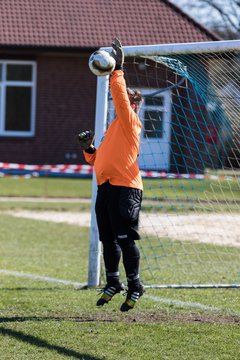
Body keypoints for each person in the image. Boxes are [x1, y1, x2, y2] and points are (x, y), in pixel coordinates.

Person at [78, 39, 144, 312]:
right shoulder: (112, 130)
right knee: (108, 238)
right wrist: (88, 149)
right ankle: (114, 282)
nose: (119, 102)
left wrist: (117, 69)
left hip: (125, 189)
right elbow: (98, 160)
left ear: (131, 105)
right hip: (106, 187)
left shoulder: (130, 122)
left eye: (124, 100)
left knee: (125, 239)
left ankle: (135, 283)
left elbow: (119, 98)